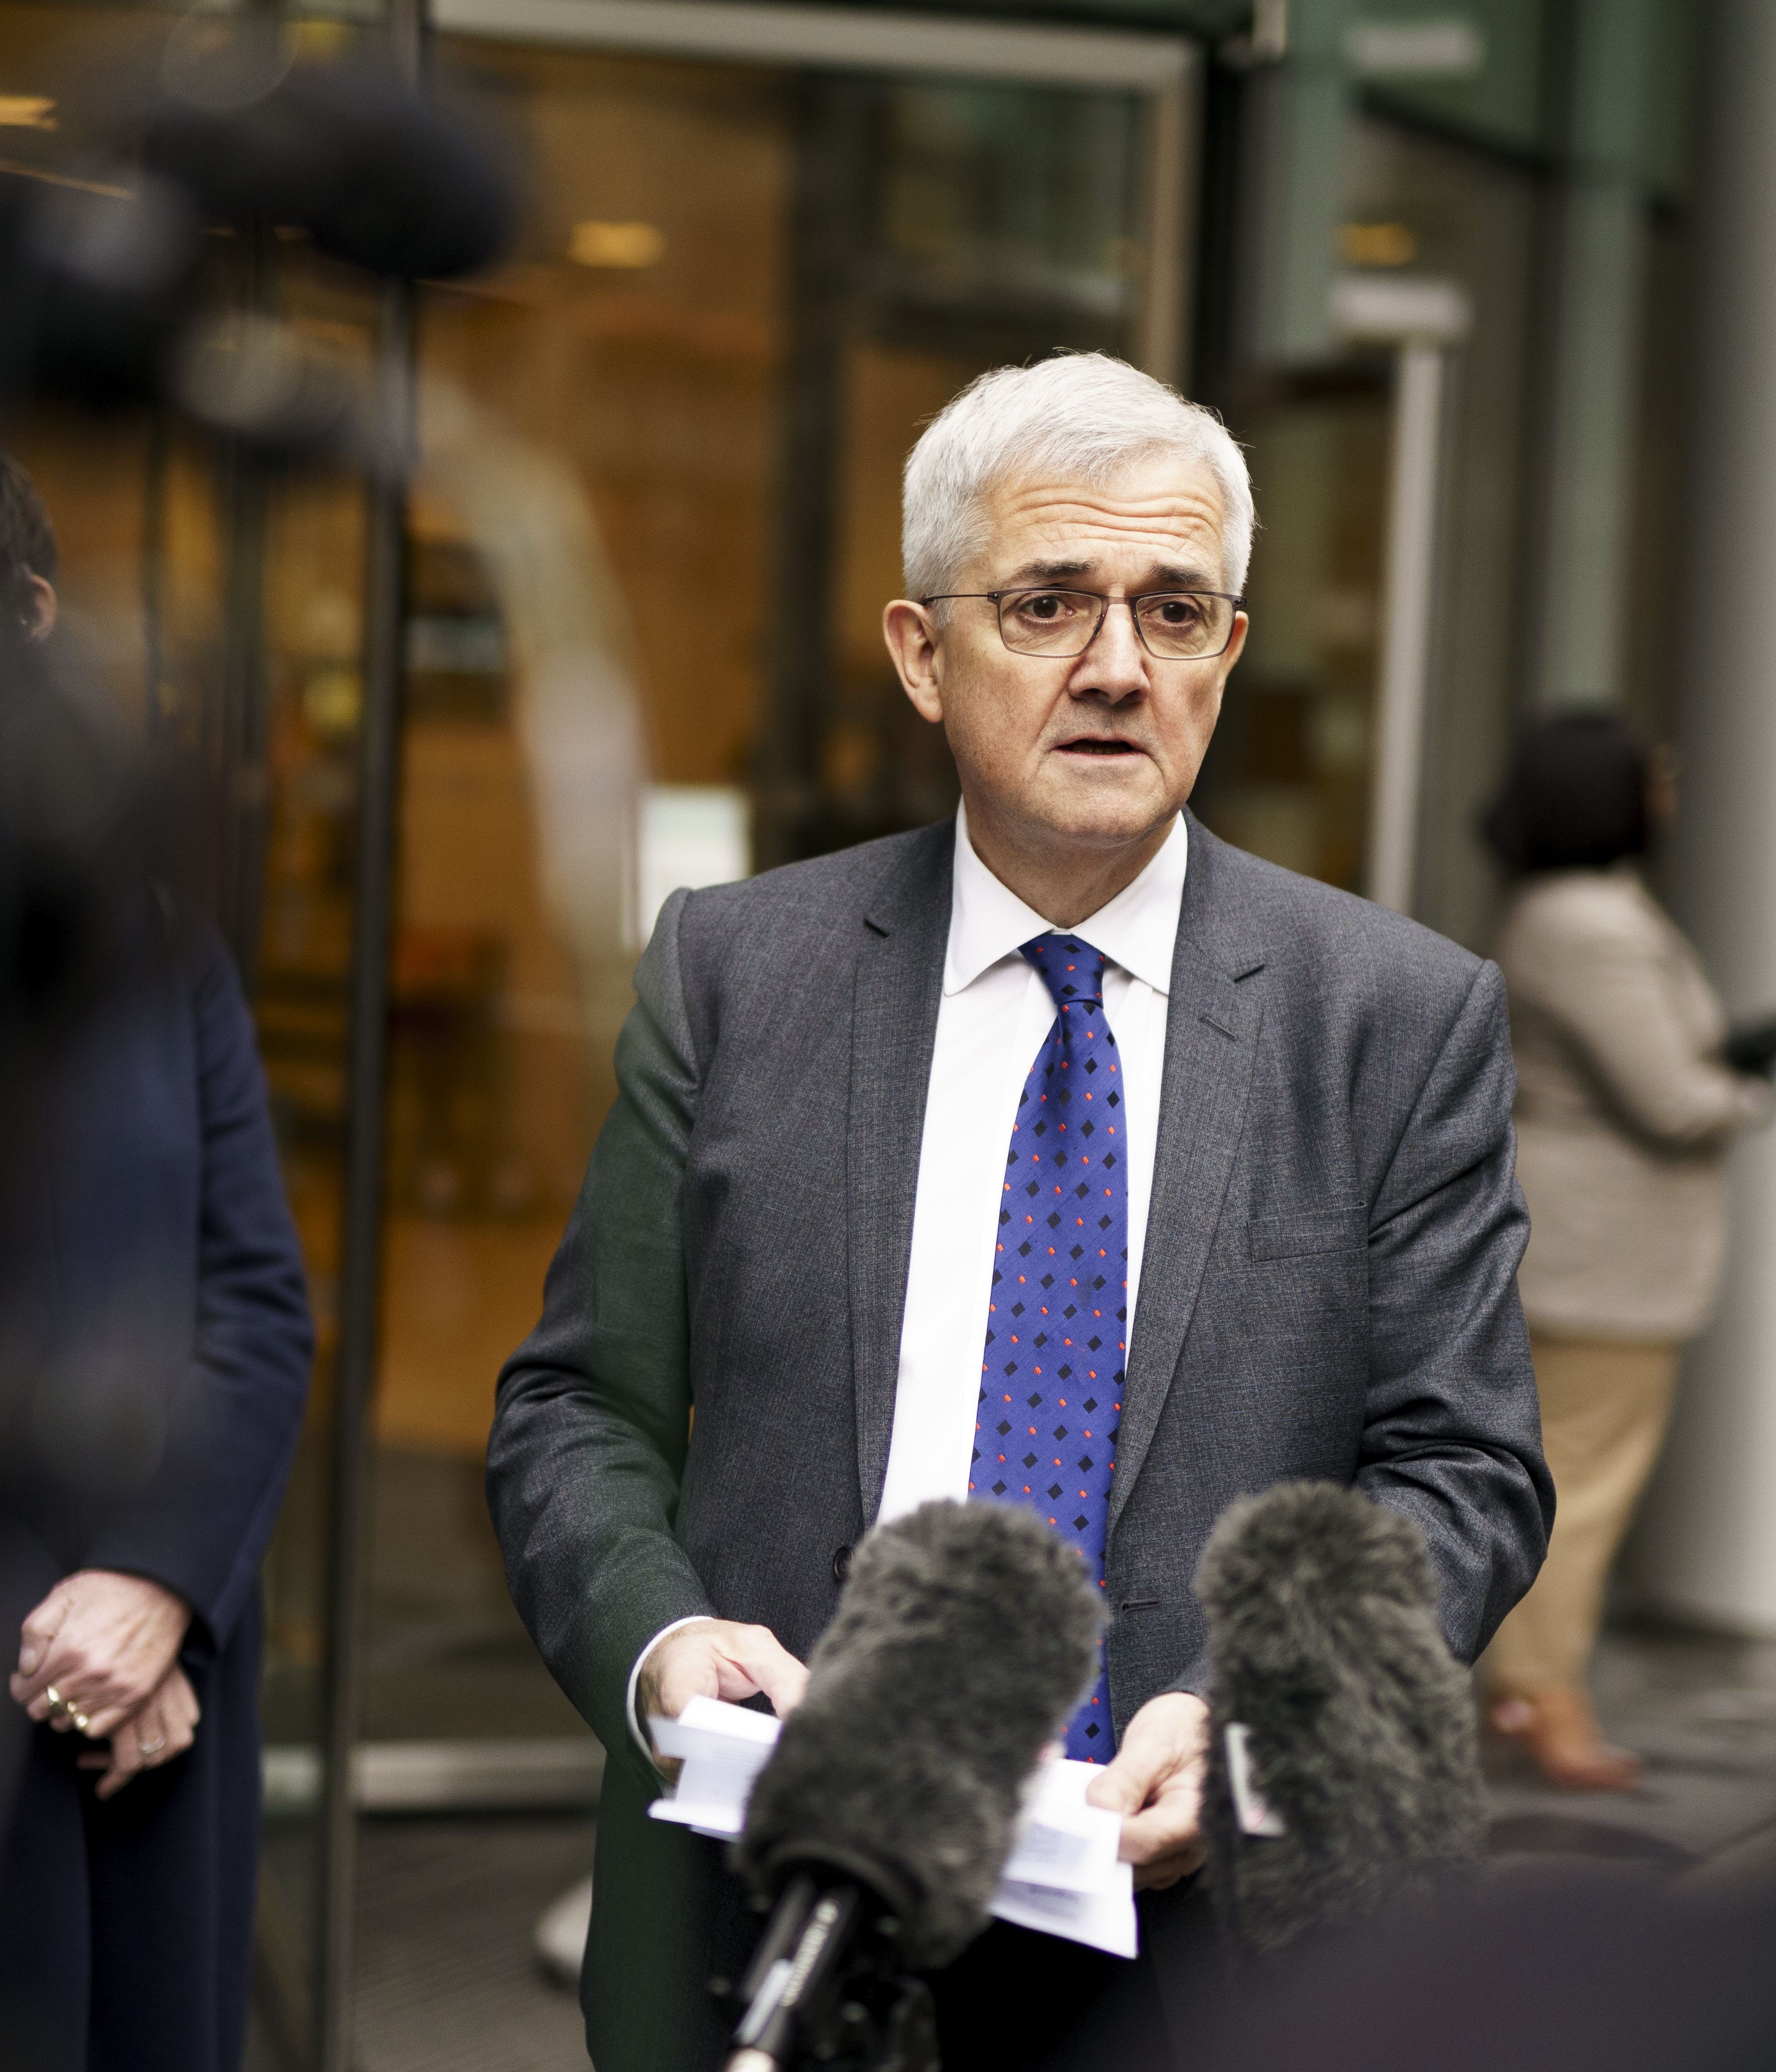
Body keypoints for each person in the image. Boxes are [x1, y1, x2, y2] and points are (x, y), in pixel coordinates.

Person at [488, 353, 1551, 2071]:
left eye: (1178, 610)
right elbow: (578, 1406)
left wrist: (1277, 1717)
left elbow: (1466, 1467)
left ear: (1230, 650)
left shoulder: (1393, 1021)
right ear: (923, 652)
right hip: (778, 1911)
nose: (1119, 669)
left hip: (1204, 1955)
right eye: (1051, 603)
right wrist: (660, 1642)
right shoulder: (736, 975)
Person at [0, 447, 316, 2071]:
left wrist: (157, 1587)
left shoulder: (162, 943)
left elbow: (257, 1304)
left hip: (133, 1702)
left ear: (31, 619)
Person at [1474, 713, 1776, 1790]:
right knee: (1578, 1484)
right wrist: (1748, 1086)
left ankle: (1523, 1687)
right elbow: (1668, 1096)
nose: (1670, 789)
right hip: (1600, 1261)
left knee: (1554, 1471)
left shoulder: (1560, 908)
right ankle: (1541, 1695)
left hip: (1583, 1247)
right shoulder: (1591, 919)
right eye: (1656, 775)